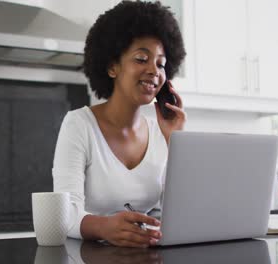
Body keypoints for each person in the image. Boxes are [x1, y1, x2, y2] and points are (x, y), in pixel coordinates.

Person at [52, 1, 186, 248]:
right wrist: (104, 226)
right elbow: (65, 214)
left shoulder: (161, 132)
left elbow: (184, 214)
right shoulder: (79, 124)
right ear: (113, 66)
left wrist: (176, 141)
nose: (154, 71)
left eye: (161, 63)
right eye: (141, 59)